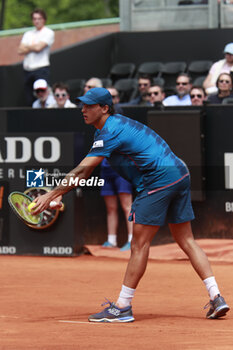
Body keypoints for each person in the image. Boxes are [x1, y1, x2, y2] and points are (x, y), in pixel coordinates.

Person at [32, 87, 230, 323]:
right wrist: (62, 193)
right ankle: (216, 296)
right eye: (82, 105)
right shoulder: (114, 127)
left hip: (158, 180)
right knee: (186, 240)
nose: (83, 110)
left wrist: (52, 193)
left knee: (139, 244)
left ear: (104, 108)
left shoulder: (110, 130)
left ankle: (123, 307)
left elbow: (84, 169)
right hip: (180, 173)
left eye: (89, 105)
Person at [18, 8, 55, 106]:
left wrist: (28, 46)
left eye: (39, 18)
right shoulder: (28, 34)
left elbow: (39, 48)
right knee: (30, 99)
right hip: (27, 70)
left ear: (44, 20)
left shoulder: (48, 32)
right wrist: (34, 46)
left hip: (41, 70)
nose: (37, 21)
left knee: (44, 97)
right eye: (34, 19)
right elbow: (20, 50)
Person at [100, 158, 133, 251]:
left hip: (122, 169)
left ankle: (132, 241)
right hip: (106, 170)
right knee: (110, 208)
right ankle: (111, 241)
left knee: (127, 207)